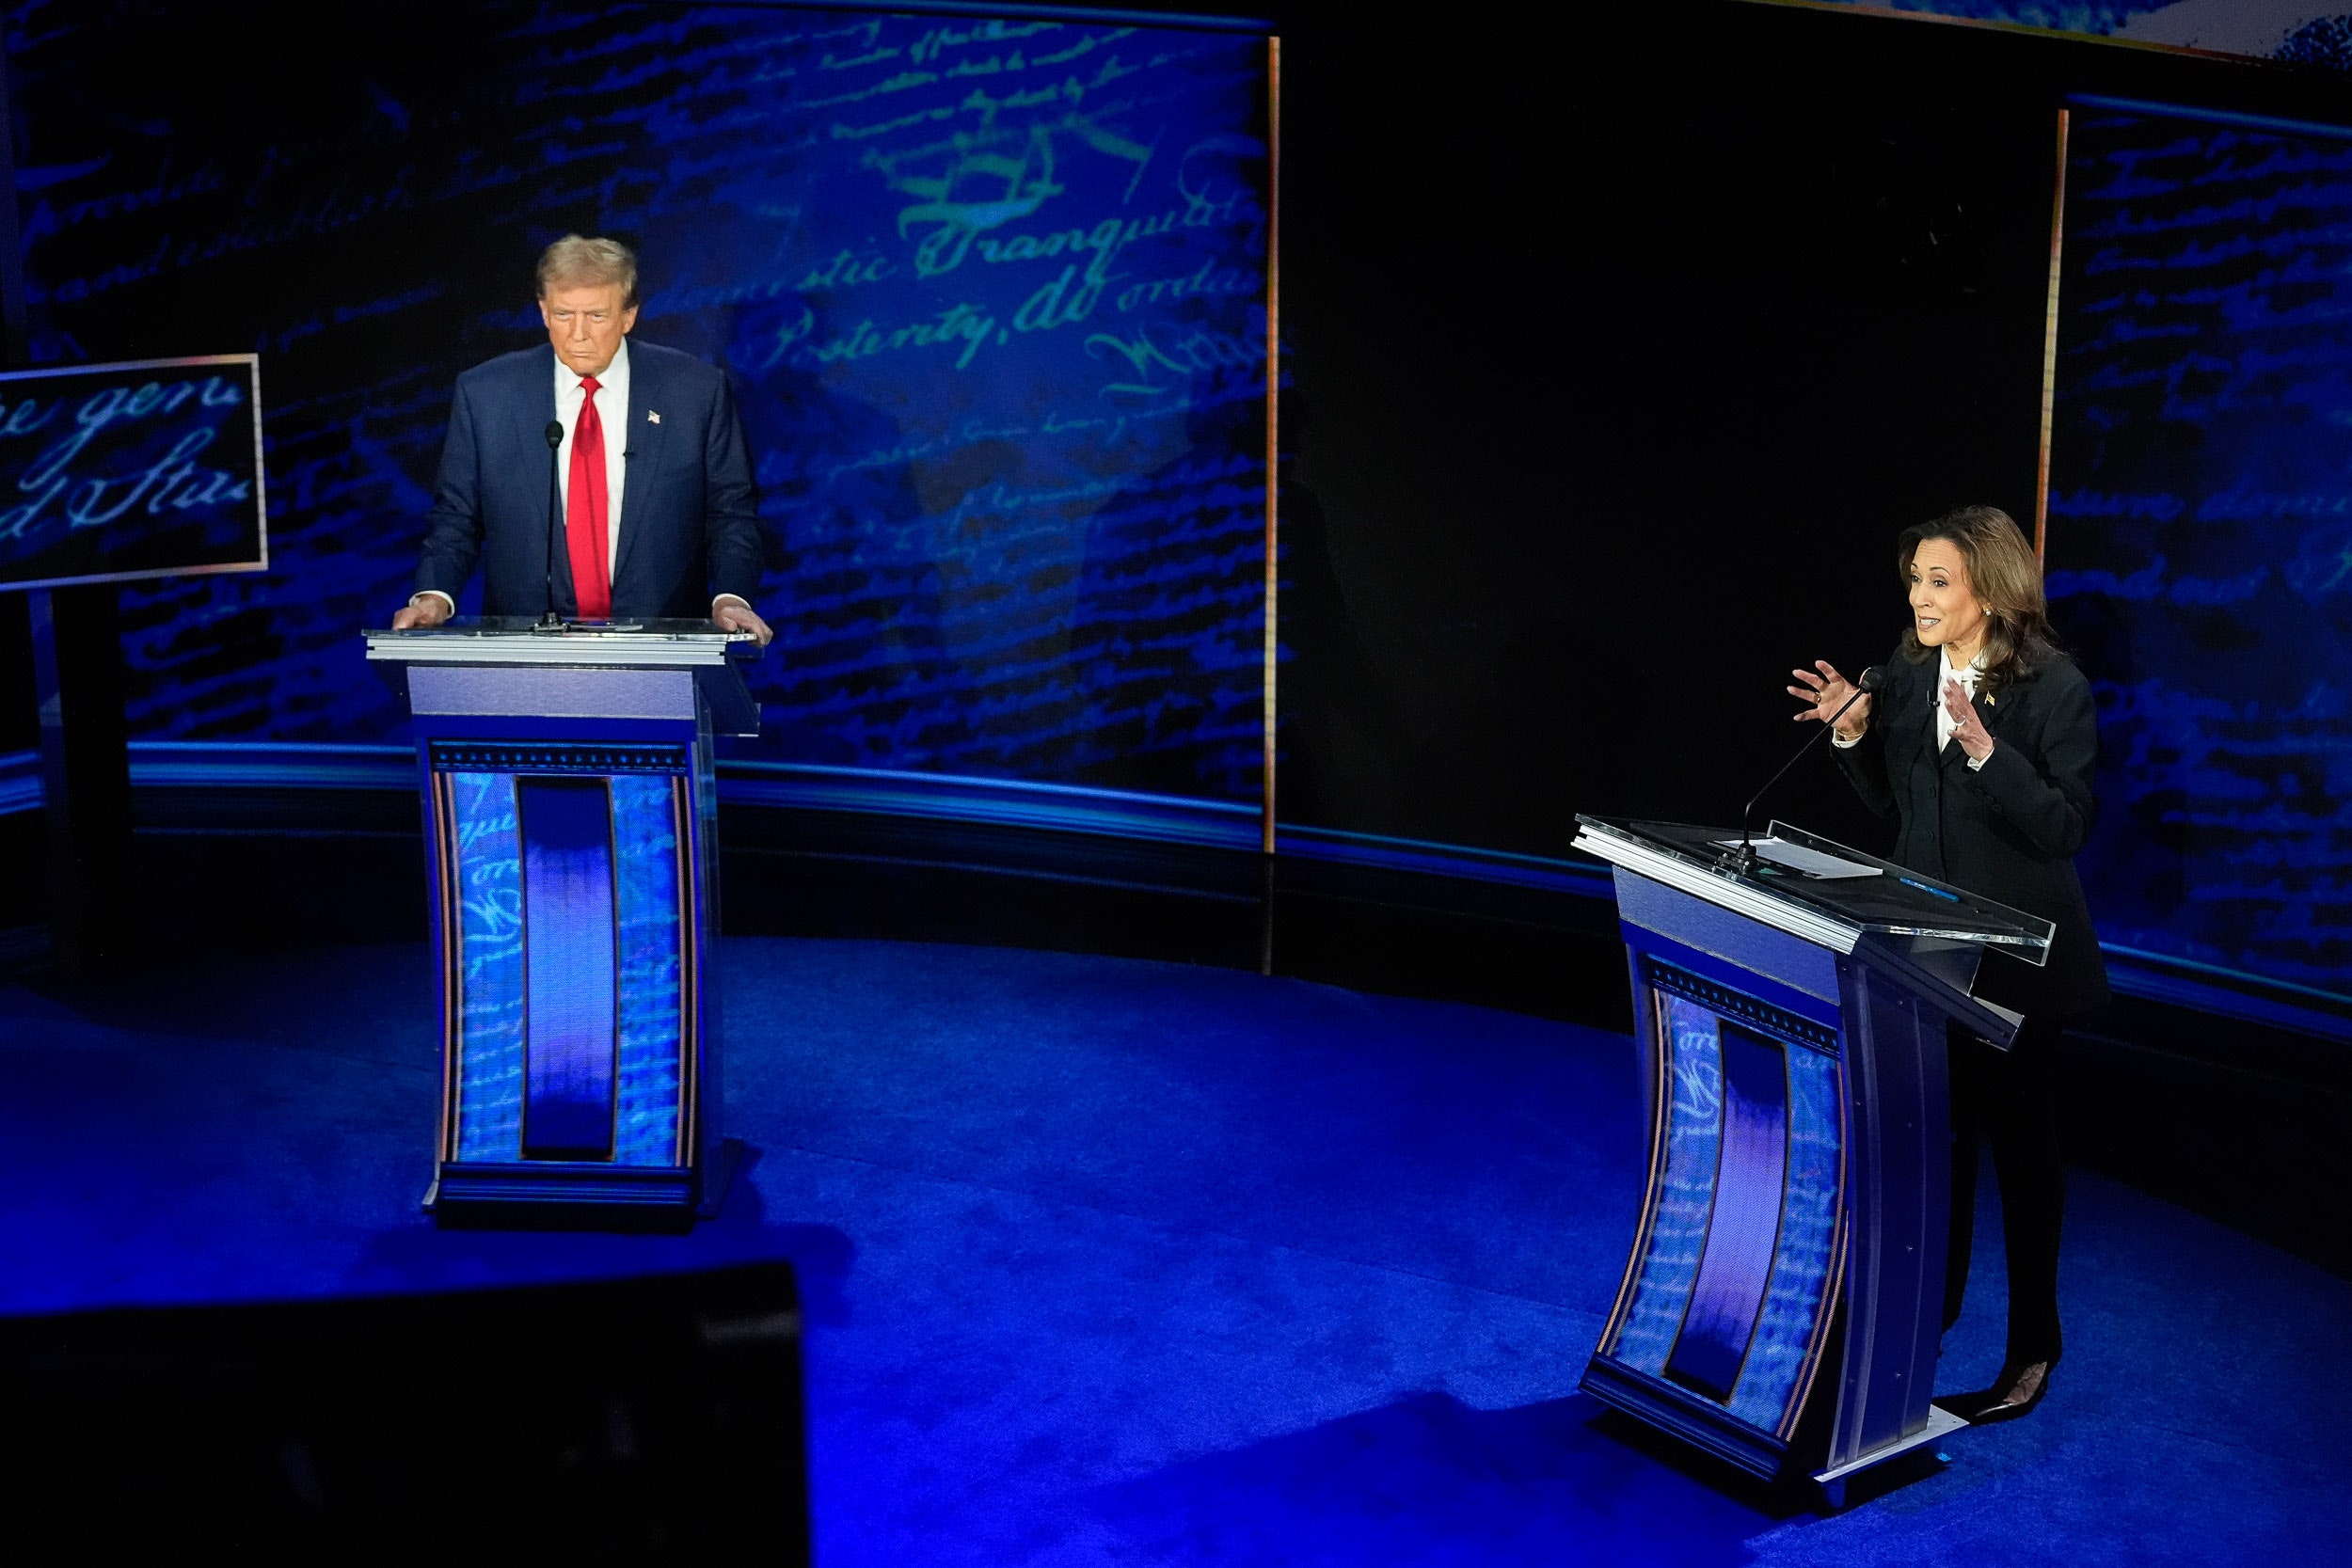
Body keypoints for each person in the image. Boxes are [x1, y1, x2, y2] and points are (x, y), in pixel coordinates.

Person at [1788, 504, 2107, 1426]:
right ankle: (1924, 1322)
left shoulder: (2053, 689)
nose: (1920, 596)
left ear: (1989, 587)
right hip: (1928, 957)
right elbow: (1897, 809)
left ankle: (2032, 1346)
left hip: (2019, 967)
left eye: (1938, 580)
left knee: (2022, 1158)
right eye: (1915, 579)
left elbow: (2064, 826)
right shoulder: (1904, 674)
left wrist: (1981, 745)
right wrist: (1851, 730)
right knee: (1939, 1150)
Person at [391, 234, 771, 642]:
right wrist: (434, 595)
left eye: (595, 316)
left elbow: (730, 511)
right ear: (543, 312)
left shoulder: (695, 391)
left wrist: (731, 597)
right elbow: (457, 517)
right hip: (526, 649)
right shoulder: (486, 394)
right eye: (563, 314)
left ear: (629, 316)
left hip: (662, 643)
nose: (578, 334)